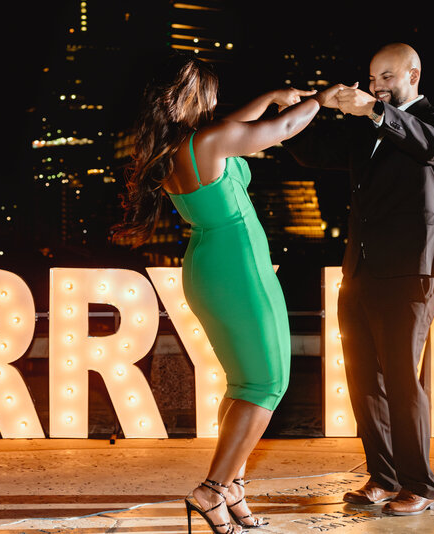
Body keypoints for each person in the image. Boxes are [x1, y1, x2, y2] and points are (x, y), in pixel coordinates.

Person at [112, 53, 345, 533]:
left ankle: (232, 486)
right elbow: (279, 132)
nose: (217, 102)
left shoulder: (183, 145)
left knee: (245, 382)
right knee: (266, 383)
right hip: (237, 265)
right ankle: (213, 490)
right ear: (190, 97)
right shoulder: (211, 141)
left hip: (212, 262)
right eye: (210, 93)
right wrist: (322, 99)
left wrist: (272, 96)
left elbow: (239, 122)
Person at [283, 43, 434, 516]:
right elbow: (310, 153)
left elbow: (433, 147)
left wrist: (376, 111)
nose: (377, 84)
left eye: (386, 76)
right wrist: (299, 109)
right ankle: (382, 478)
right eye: (372, 77)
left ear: (413, 73)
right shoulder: (364, 130)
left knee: (403, 379)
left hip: (412, 267)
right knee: (363, 378)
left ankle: (419, 486)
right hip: (359, 269)